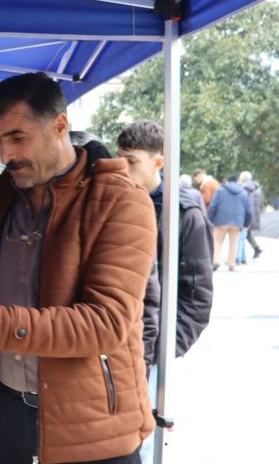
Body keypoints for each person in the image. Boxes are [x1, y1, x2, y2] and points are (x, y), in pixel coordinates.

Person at [0, 72, 157, 464]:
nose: (6, 155)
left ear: (59, 126)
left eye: (18, 138)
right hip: (7, 411)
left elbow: (106, 323)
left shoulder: (121, 201)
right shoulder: (5, 194)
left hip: (90, 427)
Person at [116, 121, 215, 463]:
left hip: (152, 350)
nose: (123, 168)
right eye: (120, 159)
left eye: (132, 161)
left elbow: (198, 298)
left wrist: (160, 350)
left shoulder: (184, 213)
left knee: (141, 440)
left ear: (159, 163)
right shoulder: (119, 200)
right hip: (119, 342)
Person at [208, 174, 252, 271]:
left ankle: (216, 261)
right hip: (237, 222)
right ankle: (231, 264)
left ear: (227, 181)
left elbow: (213, 206)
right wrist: (246, 224)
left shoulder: (220, 190)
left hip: (221, 220)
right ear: (237, 181)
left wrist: (210, 219)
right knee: (234, 243)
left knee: (217, 242)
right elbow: (249, 210)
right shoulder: (243, 192)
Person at [238, 171, 264, 259]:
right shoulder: (257, 189)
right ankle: (256, 248)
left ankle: (239, 256)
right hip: (254, 214)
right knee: (247, 233)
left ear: (242, 179)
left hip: (245, 215)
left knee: (240, 234)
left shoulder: (243, 188)